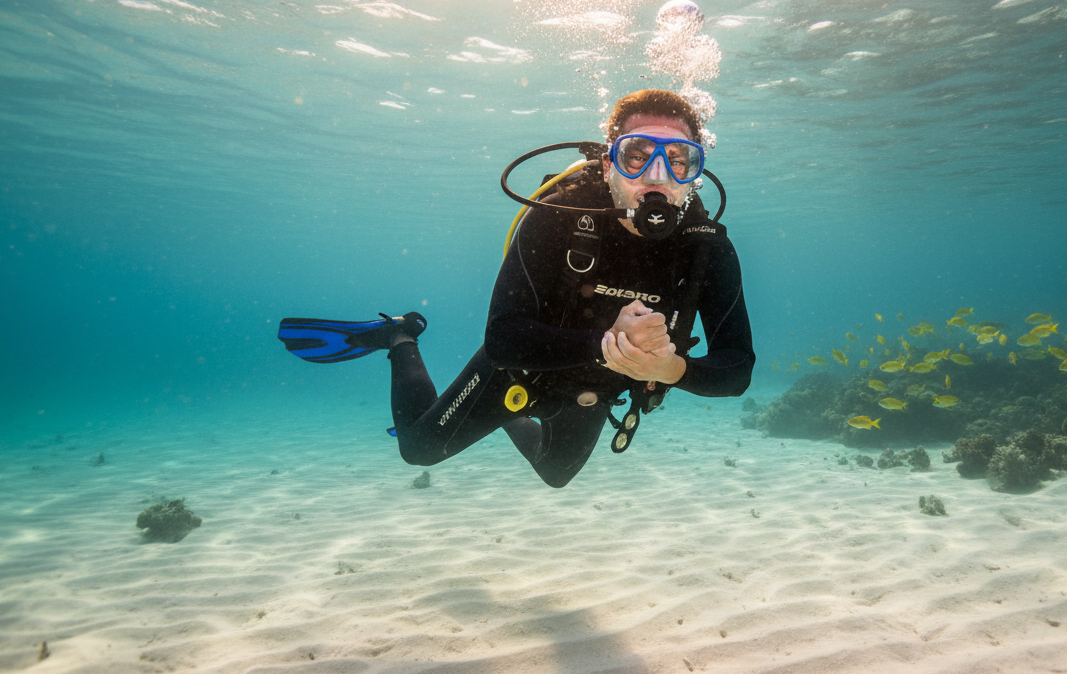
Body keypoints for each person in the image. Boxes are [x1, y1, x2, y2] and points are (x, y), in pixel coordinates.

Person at [279, 90, 754, 487]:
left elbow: (736, 369)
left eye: (679, 160)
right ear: (609, 163)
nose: (657, 176)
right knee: (418, 450)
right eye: (636, 156)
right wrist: (607, 344)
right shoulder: (557, 218)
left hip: (593, 390)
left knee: (555, 474)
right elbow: (503, 339)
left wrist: (671, 369)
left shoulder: (707, 250)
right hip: (518, 370)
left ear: (694, 175)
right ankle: (399, 336)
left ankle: (507, 417)